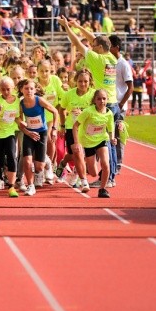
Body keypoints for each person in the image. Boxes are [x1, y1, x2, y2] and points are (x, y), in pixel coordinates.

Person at [58, 15, 118, 191]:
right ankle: (104, 173)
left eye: (93, 46)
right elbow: (97, 40)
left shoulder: (97, 59)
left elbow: (78, 43)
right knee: (107, 140)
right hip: (111, 101)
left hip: (103, 103)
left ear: (98, 48)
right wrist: (78, 25)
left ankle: (109, 177)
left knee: (109, 144)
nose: (91, 46)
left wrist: (69, 28)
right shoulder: (112, 58)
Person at [17, 79, 59, 196]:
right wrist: (26, 130)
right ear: (21, 90)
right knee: (27, 161)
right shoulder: (20, 104)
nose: (29, 91)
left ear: (35, 90)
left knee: (39, 167)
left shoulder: (39, 100)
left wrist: (54, 129)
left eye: (31, 88)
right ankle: (30, 186)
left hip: (42, 133)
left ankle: (47, 162)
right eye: (26, 89)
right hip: (28, 134)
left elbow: (55, 112)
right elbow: (19, 122)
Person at [72, 89, 116, 198]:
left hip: (101, 140)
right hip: (87, 142)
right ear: (94, 100)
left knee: (106, 164)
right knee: (93, 173)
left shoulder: (109, 113)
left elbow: (110, 128)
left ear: (107, 100)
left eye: (104, 99)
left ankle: (102, 189)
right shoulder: (88, 111)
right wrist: (77, 143)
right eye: (99, 99)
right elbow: (75, 126)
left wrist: (112, 138)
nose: (102, 101)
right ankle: (84, 166)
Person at [109, 34, 133, 178]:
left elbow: (130, 87)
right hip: (110, 104)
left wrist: (121, 104)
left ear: (116, 47)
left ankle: (117, 164)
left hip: (119, 106)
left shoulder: (123, 64)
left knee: (117, 136)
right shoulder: (109, 62)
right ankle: (109, 163)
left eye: (110, 46)